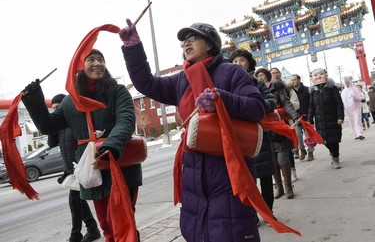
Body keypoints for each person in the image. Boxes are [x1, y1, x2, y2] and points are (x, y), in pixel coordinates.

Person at [120, 20, 266, 241]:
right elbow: (146, 84)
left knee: (230, 231)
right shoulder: (182, 79)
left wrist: (221, 99)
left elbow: (257, 107)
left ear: (209, 44)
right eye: (183, 42)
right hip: (193, 172)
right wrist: (133, 49)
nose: (185, 45)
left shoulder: (231, 72)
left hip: (227, 171)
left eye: (191, 39)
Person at [22, 49, 142, 242]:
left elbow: (126, 120)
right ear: (80, 67)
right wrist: (34, 98)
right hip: (91, 167)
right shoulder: (71, 102)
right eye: (91, 59)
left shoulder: (117, 91)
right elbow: (47, 126)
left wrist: (111, 145)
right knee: (105, 224)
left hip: (118, 162)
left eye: (101, 60)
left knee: (122, 220)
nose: (98, 63)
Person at [229, 49, 277, 227]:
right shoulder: (227, 83)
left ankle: (269, 214)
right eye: (234, 61)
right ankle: (251, 216)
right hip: (238, 138)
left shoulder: (257, 83)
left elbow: (272, 100)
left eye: (242, 60)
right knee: (247, 181)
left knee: (265, 178)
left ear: (249, 64)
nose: (238, 64)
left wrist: (254, 106)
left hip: (259, 136)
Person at [48, 94, 101, 242]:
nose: (57, 111)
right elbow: (52, 143)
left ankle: (77, 235)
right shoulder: (58, 125)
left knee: (75, 201)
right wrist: (51, 126)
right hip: (71, 169)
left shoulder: (75, 120)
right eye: (54, 109)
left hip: (81, 166)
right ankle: (92, 229)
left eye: (58, 108)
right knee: (79, 201)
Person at [255, 68, 299, 199]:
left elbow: (286, 103)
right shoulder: (255, 90)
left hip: (279, 128)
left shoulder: (277, 89)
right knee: (272, 162)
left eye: (262, 75)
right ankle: (279, 187)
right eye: (258, 76)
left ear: (267, 76)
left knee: (282, 160)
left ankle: (288, 186)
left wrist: (295, 116)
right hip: (265, 131)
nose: (260, 78)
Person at [308, 68, 344, 169]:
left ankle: (335, 158)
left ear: (326, 75)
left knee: (334, 140)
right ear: (312, 78)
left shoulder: (332, 88)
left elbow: (339, 103)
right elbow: (311, 107)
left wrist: (340, 117)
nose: (319, 76)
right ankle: (332, 152)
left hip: (333, 119)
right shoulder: (313, 91)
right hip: (320, 121)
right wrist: (309, 120)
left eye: (321, 74)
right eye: (315, 75)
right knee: (323, 140)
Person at [269, 67, 299, 184]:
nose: (275, 75)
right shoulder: (264, 89)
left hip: (285, 120)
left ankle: (292, 171)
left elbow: (291, 103)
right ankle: (279, 184)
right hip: (270, 125)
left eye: (277, 73)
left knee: (287, 149)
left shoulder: (286, 87)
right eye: (273, 73)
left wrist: (289, 113)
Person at [289, 74, 313, 161]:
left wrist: (310, 116)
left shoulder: (307, 89)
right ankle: (302, 150)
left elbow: (311, 104)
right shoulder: (290, 92)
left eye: (294, 80)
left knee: (308, 136)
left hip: (306, 116)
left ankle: (310, 152)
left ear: (299, 80)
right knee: (298, 135)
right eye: (291, 80)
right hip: (296, 118)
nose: (293, 81)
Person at [341, 76, 364, 140]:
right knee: (352, 121)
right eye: (345, 82)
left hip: (356, 107)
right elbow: (342, 101)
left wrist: (354, 97)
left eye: (348, 82)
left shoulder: (355, 89)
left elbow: (361, 97)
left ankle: (360, 134)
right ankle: (356, 134)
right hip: (348, 109)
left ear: (350, 82)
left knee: (357, 121)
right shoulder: (343, 91)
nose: (347, 83)